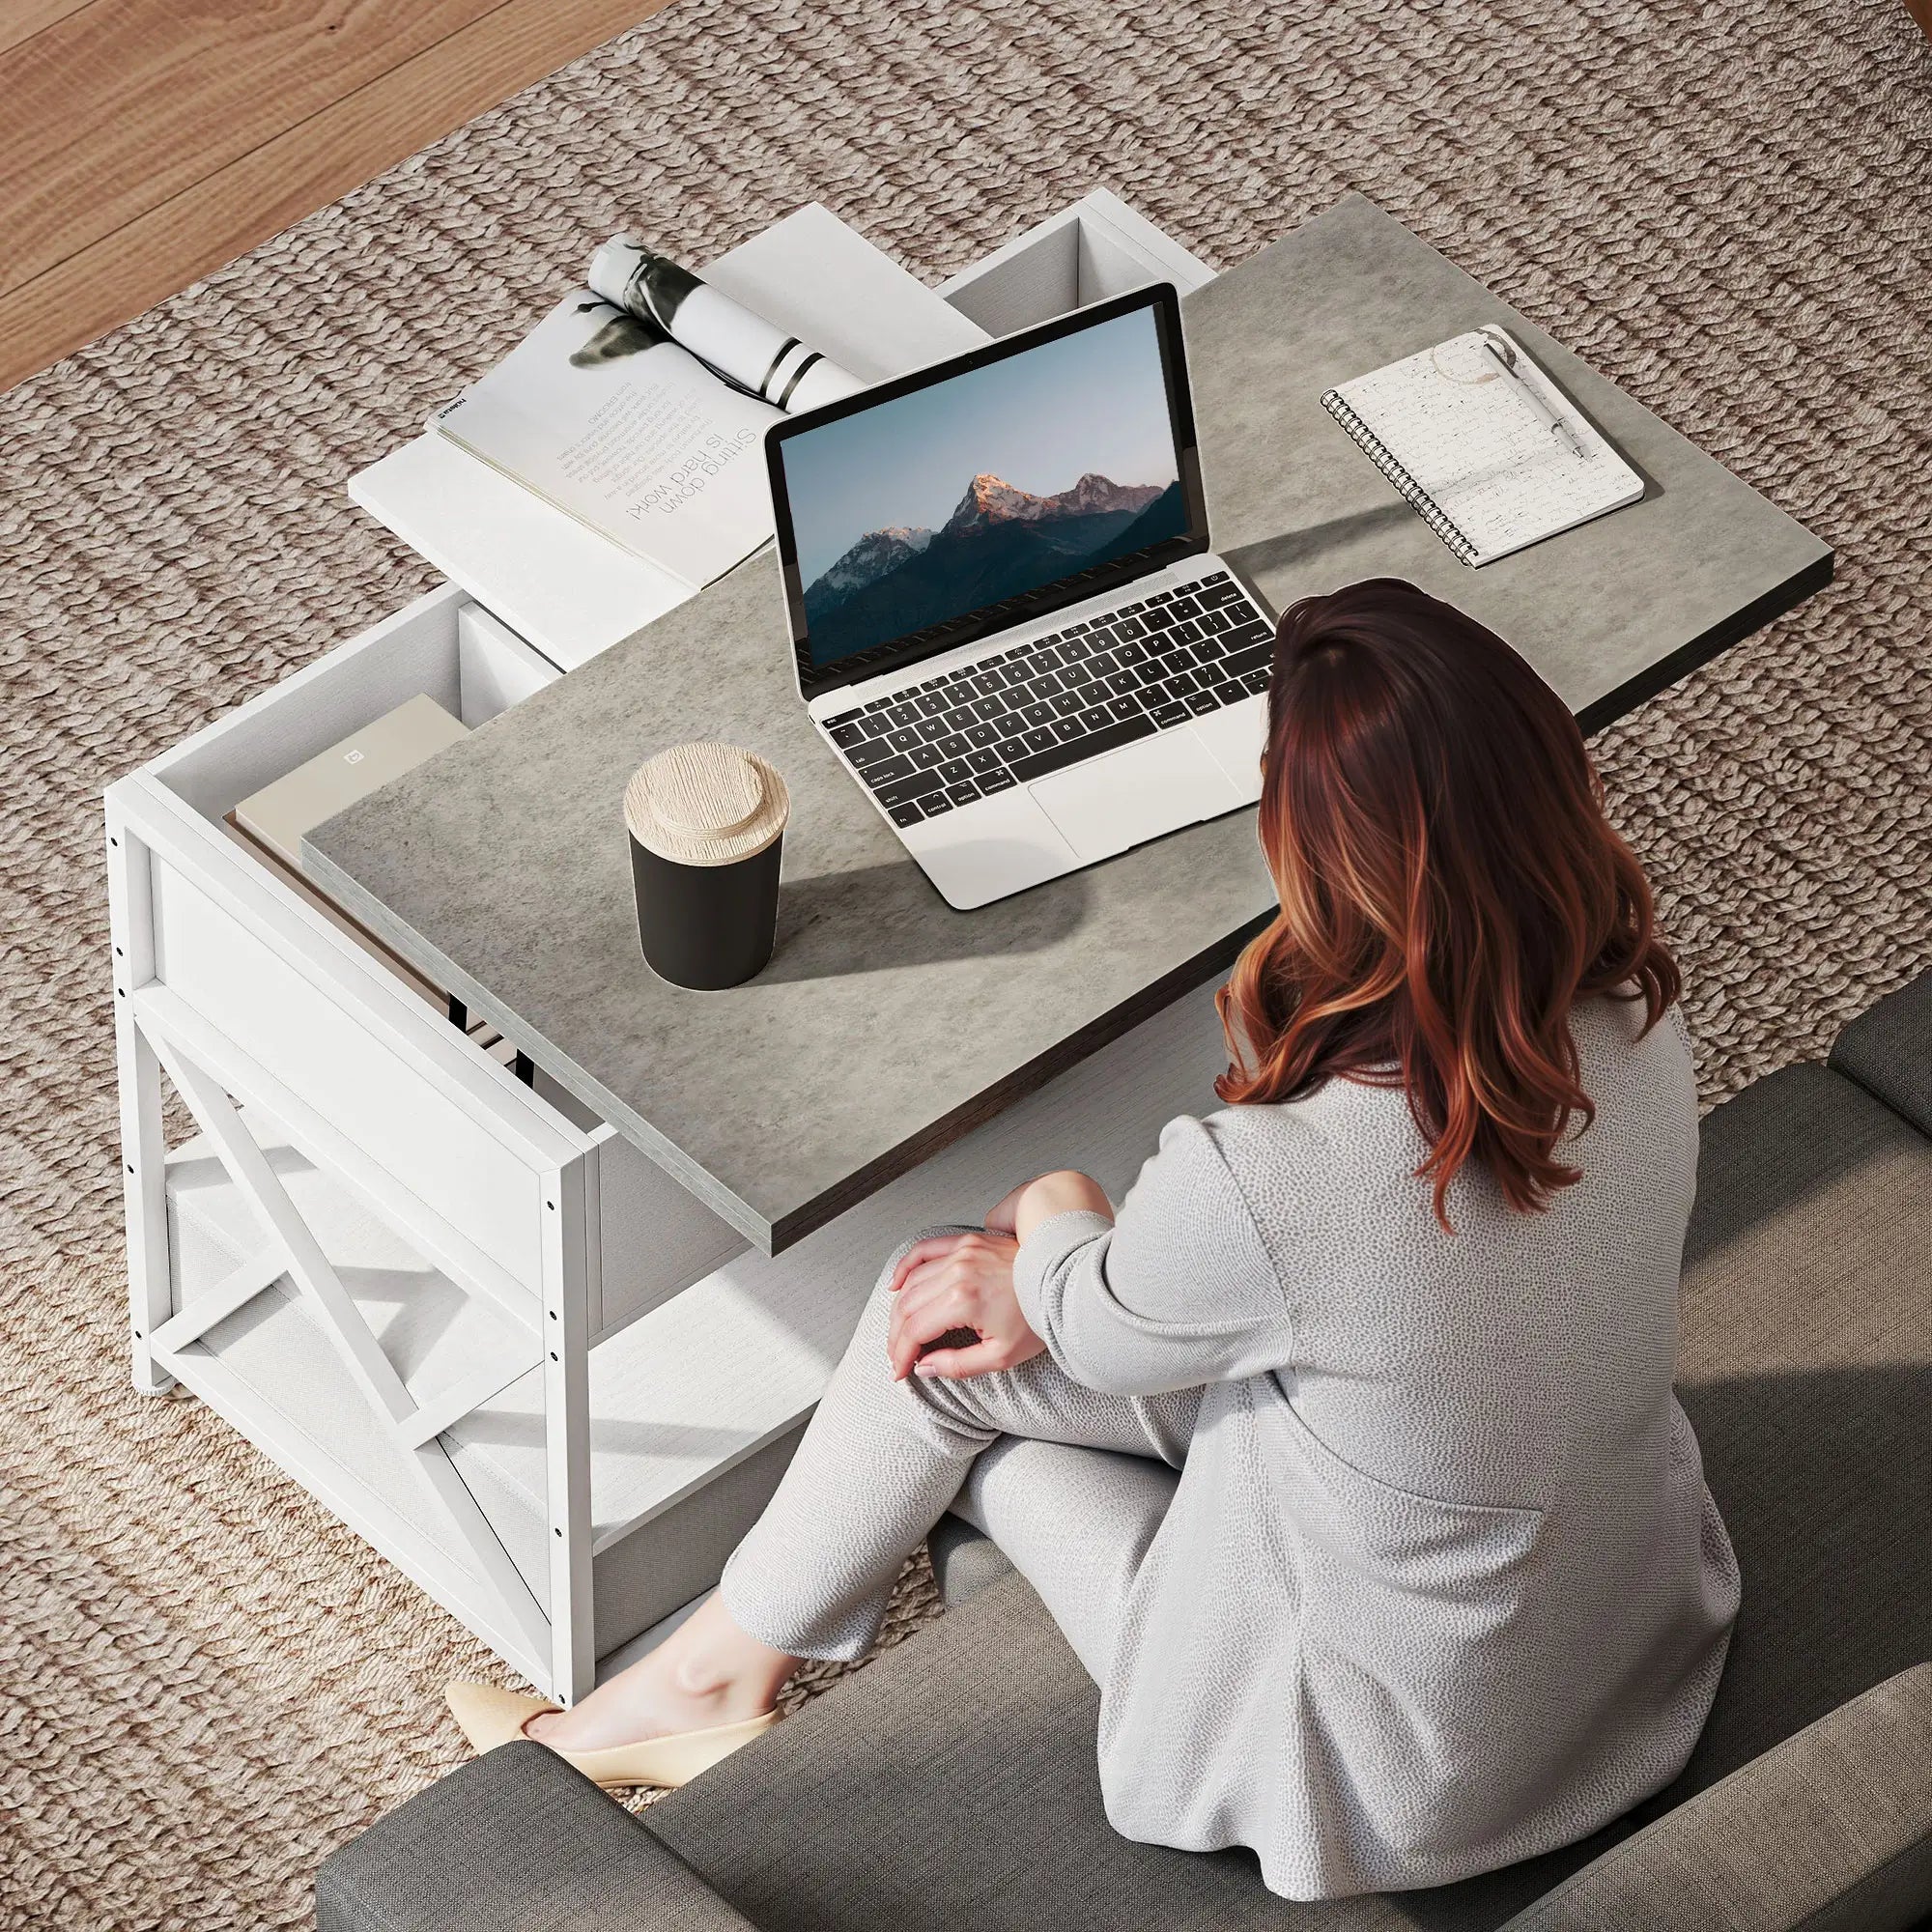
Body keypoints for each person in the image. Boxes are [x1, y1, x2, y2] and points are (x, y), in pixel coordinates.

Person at [446, 578, 1740, 1902]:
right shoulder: (1631, 1017)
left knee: (937, 1321)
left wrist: (1055, 1205)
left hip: (1376, 1767)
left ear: (1315, 856)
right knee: (1021, 1322)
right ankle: (704, 1680)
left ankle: (687, 1698)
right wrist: (1068, 1278)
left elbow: (1103, 1328)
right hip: (1622, 1634)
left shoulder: (1279, 1178)